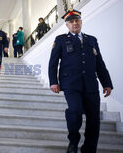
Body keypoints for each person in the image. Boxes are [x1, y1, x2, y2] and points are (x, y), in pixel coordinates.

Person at [48, 9, 113, 153]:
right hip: (71, 84)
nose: (74, 23)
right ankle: (73, 142)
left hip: (90, 85)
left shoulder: (92, 40)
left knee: (94, 119)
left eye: (77, 20)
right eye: (71, 22)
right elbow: (53, 63)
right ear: (67, 25)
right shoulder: (61, 40)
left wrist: (107, 83)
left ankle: (89, 149)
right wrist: (53, 81)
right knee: (75, 111)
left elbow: (99, 64)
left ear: (81, 22)